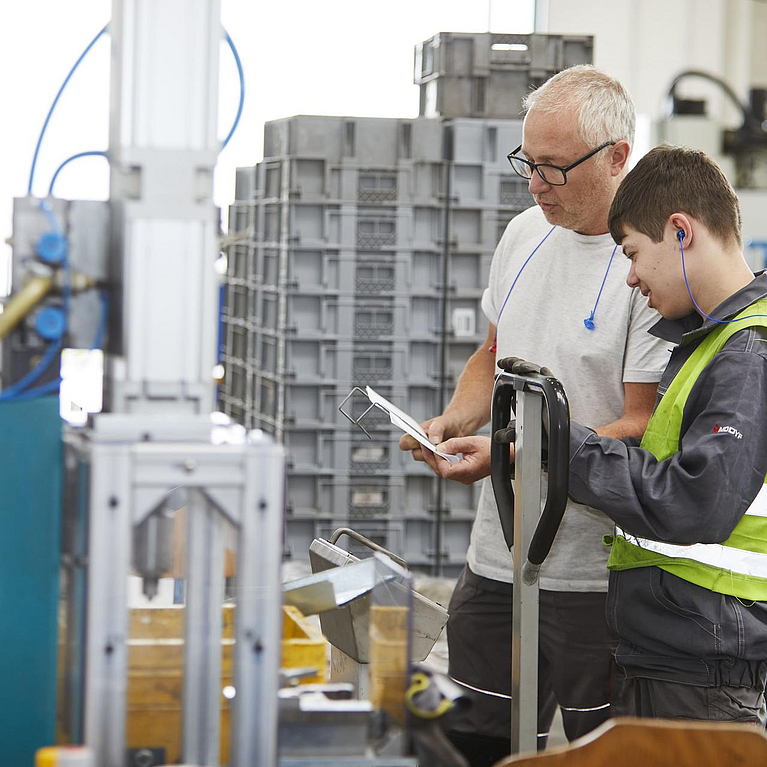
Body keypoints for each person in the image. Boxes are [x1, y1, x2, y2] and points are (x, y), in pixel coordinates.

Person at [399, 65, 670, 765]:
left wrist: (517, 454)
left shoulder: (645, 268)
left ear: (617, 157)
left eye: (553, 168)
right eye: (527, 163)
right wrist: (455, 421)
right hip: (496, 555)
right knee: (461, 738)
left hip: (592, 575)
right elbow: (491, 354)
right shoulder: (523, 234)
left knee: (593, 750)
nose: (534, 184)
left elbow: (638, 423)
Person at [443, 144, 767, 724]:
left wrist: (557, 445)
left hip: (706, 659)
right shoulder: (711, 341)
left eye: (634, 253)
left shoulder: (749, 352)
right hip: (677, 644)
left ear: (680, 231)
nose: (632, 277)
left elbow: (695, 500)